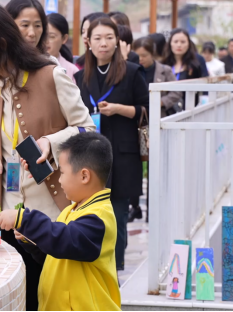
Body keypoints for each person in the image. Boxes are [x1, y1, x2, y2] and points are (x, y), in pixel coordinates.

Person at [0, 3, 95, 310]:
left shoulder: (51, 76)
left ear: (0, 45)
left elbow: (88, 129)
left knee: (55, 297)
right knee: (24, 295)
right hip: (9, 214)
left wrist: (52, 141)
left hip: (54, 213)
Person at [0, 132, 121, 311]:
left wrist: (24, 218)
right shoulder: (71, 210)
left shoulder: (99, 217)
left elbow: (66, 240)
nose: (59, 180)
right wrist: (30, 240)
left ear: (84, 176)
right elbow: (55, 255)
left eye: (62, 172)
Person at [74, 17, 148, 271]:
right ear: (88, 42)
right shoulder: (78, 77)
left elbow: (147, 110)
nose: (103, 43)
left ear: (117, 41)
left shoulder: (132, 72)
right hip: (89, 153)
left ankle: (114, 265)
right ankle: (91, 263)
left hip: (122, 153)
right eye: (97, 38)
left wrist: (119, 109)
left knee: (117, 212)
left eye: (108, 37)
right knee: (88, 210)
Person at [130, 36, 182, 223]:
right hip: (137, 123)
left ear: (152, 54)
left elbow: (176, 92)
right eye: (138, 55)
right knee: (136, 163)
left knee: (156, 166)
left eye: (144, 55)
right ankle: (135, 206)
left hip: (158, 122)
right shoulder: (132, 69)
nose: (141, 59)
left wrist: (159, 102)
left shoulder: (164, 70)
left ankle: (154, 209)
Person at [163, 28, 204, 108]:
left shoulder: (195, 65)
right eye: (175, 41)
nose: (179, 45)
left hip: (188, 109)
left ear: (188, 44)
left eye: (183, 42)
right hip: (167, 110)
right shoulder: (163, 64)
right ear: (170, 43)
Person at [47, 13, 79, 81]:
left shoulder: (72, 71)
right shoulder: (30, 66)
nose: (45, 41)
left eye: (51, 36)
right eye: (42, 36)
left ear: (64, 38)